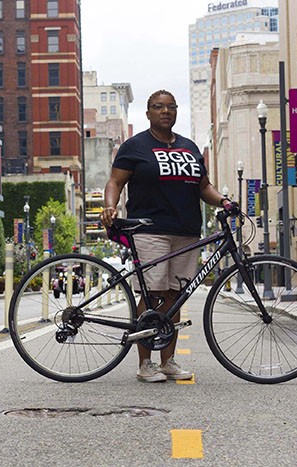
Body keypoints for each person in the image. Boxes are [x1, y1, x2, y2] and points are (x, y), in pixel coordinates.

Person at [101, 89, 233, 383]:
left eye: (171, 107)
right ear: (148, 113)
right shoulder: (135, 147)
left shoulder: (189, 148)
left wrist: (223, 200)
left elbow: (203, 187)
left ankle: (168, 361)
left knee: (174, 298)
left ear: (176, 112)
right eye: (158, 107)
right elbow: (115, 182)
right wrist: (110, 206)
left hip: (186, 232)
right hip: (149, 230)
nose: (165, 111)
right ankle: (145, 363)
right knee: (153, 295)